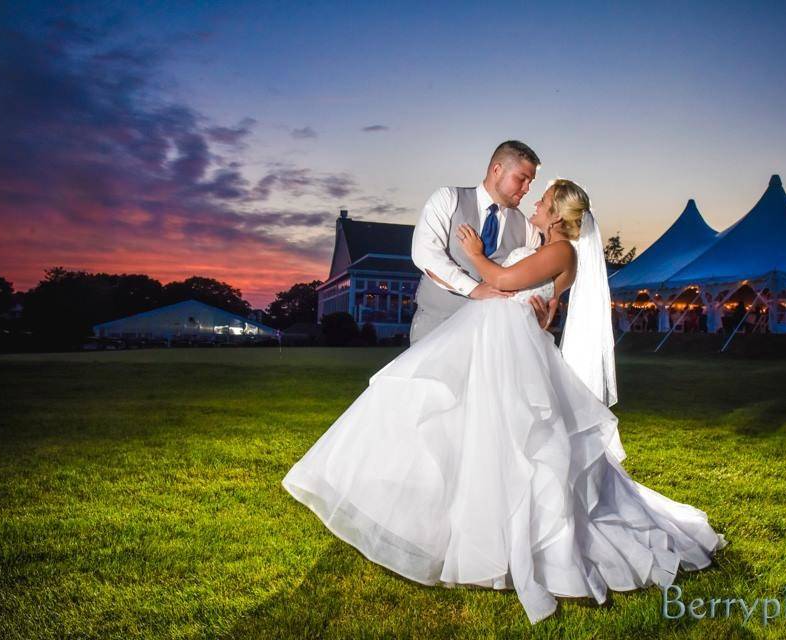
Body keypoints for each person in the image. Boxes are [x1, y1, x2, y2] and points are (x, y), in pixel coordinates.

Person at [282, 179, 727, 625]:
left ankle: (512, 540)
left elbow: (502, 280)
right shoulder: (545, 244)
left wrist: (474, 253)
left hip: (507, 347)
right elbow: (531, 295)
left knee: (517, 443)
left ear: (556, 214)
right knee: (472, 431)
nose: (534, 201)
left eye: (543, 200)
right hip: (494, 339)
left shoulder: (561, 252)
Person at [409, 140, 555, 344]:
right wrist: (474, 289)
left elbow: (536, 281)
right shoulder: (448, 198)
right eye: (522, 179)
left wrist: (538, 311)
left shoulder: (527, 229)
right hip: (435, 330)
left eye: (530, 181)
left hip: (492, 342)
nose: (527, 188)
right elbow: (425, 255)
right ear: (497, 169)